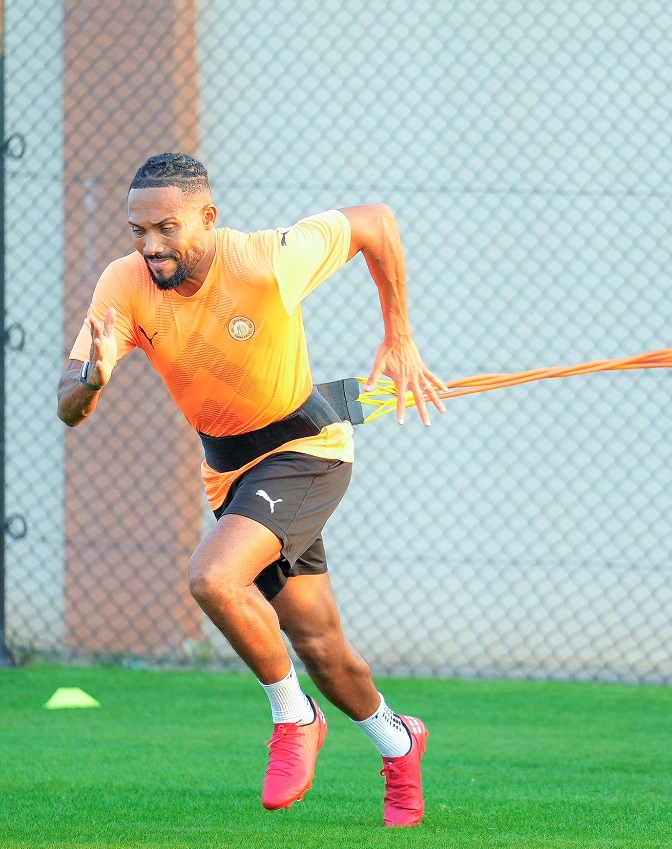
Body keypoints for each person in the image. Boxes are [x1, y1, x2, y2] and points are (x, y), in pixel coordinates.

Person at [57, 152, 447, 825]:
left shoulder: (268, 260)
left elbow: (376, 224)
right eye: (137, 231)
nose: (150, 246)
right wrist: (88, 382)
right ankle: (399, 739)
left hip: (305, 452)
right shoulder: (122, 284)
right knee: (319, 642)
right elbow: (68, 404)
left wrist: (400, 338)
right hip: (232, 473)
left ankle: (295, 718)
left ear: (208, 218)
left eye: (167, 228)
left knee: (213, 577)